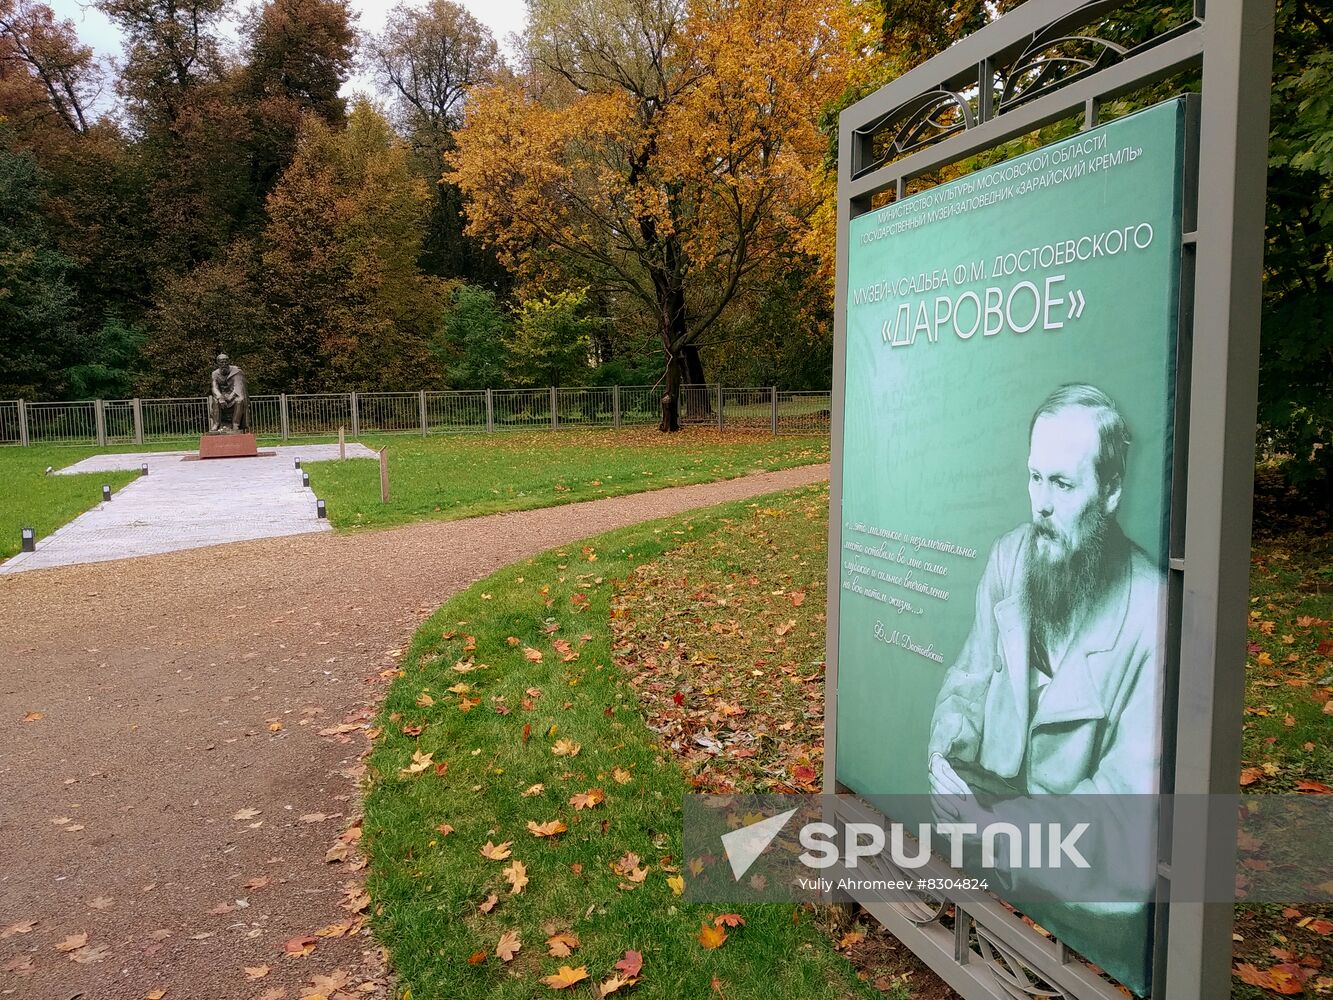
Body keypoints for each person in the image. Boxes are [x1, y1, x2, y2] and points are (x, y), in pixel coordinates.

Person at [927, 383, 1164, 802]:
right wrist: (945, 760)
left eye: (1063, 484)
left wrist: (998, 831)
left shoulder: (1150, 611)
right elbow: (969, 679)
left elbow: (1122, 796)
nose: (1042, 504)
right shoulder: (1010, 556)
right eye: (1035, 477)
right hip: (978, 818)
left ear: (1110, 492)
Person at [208, 353, 249, 433]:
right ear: (218, 363)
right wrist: (220, 398)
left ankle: (235, 424)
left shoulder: (236, 371)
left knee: (240, 400)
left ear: (229, 362)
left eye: (226, 362)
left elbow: (238, 387)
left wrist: (229, 398)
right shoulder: (215, 374)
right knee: (215, 400)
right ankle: (216, 424)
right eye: (221, 362)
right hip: (222, 396)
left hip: (234, 395)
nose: (224, 364)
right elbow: (214, 387)